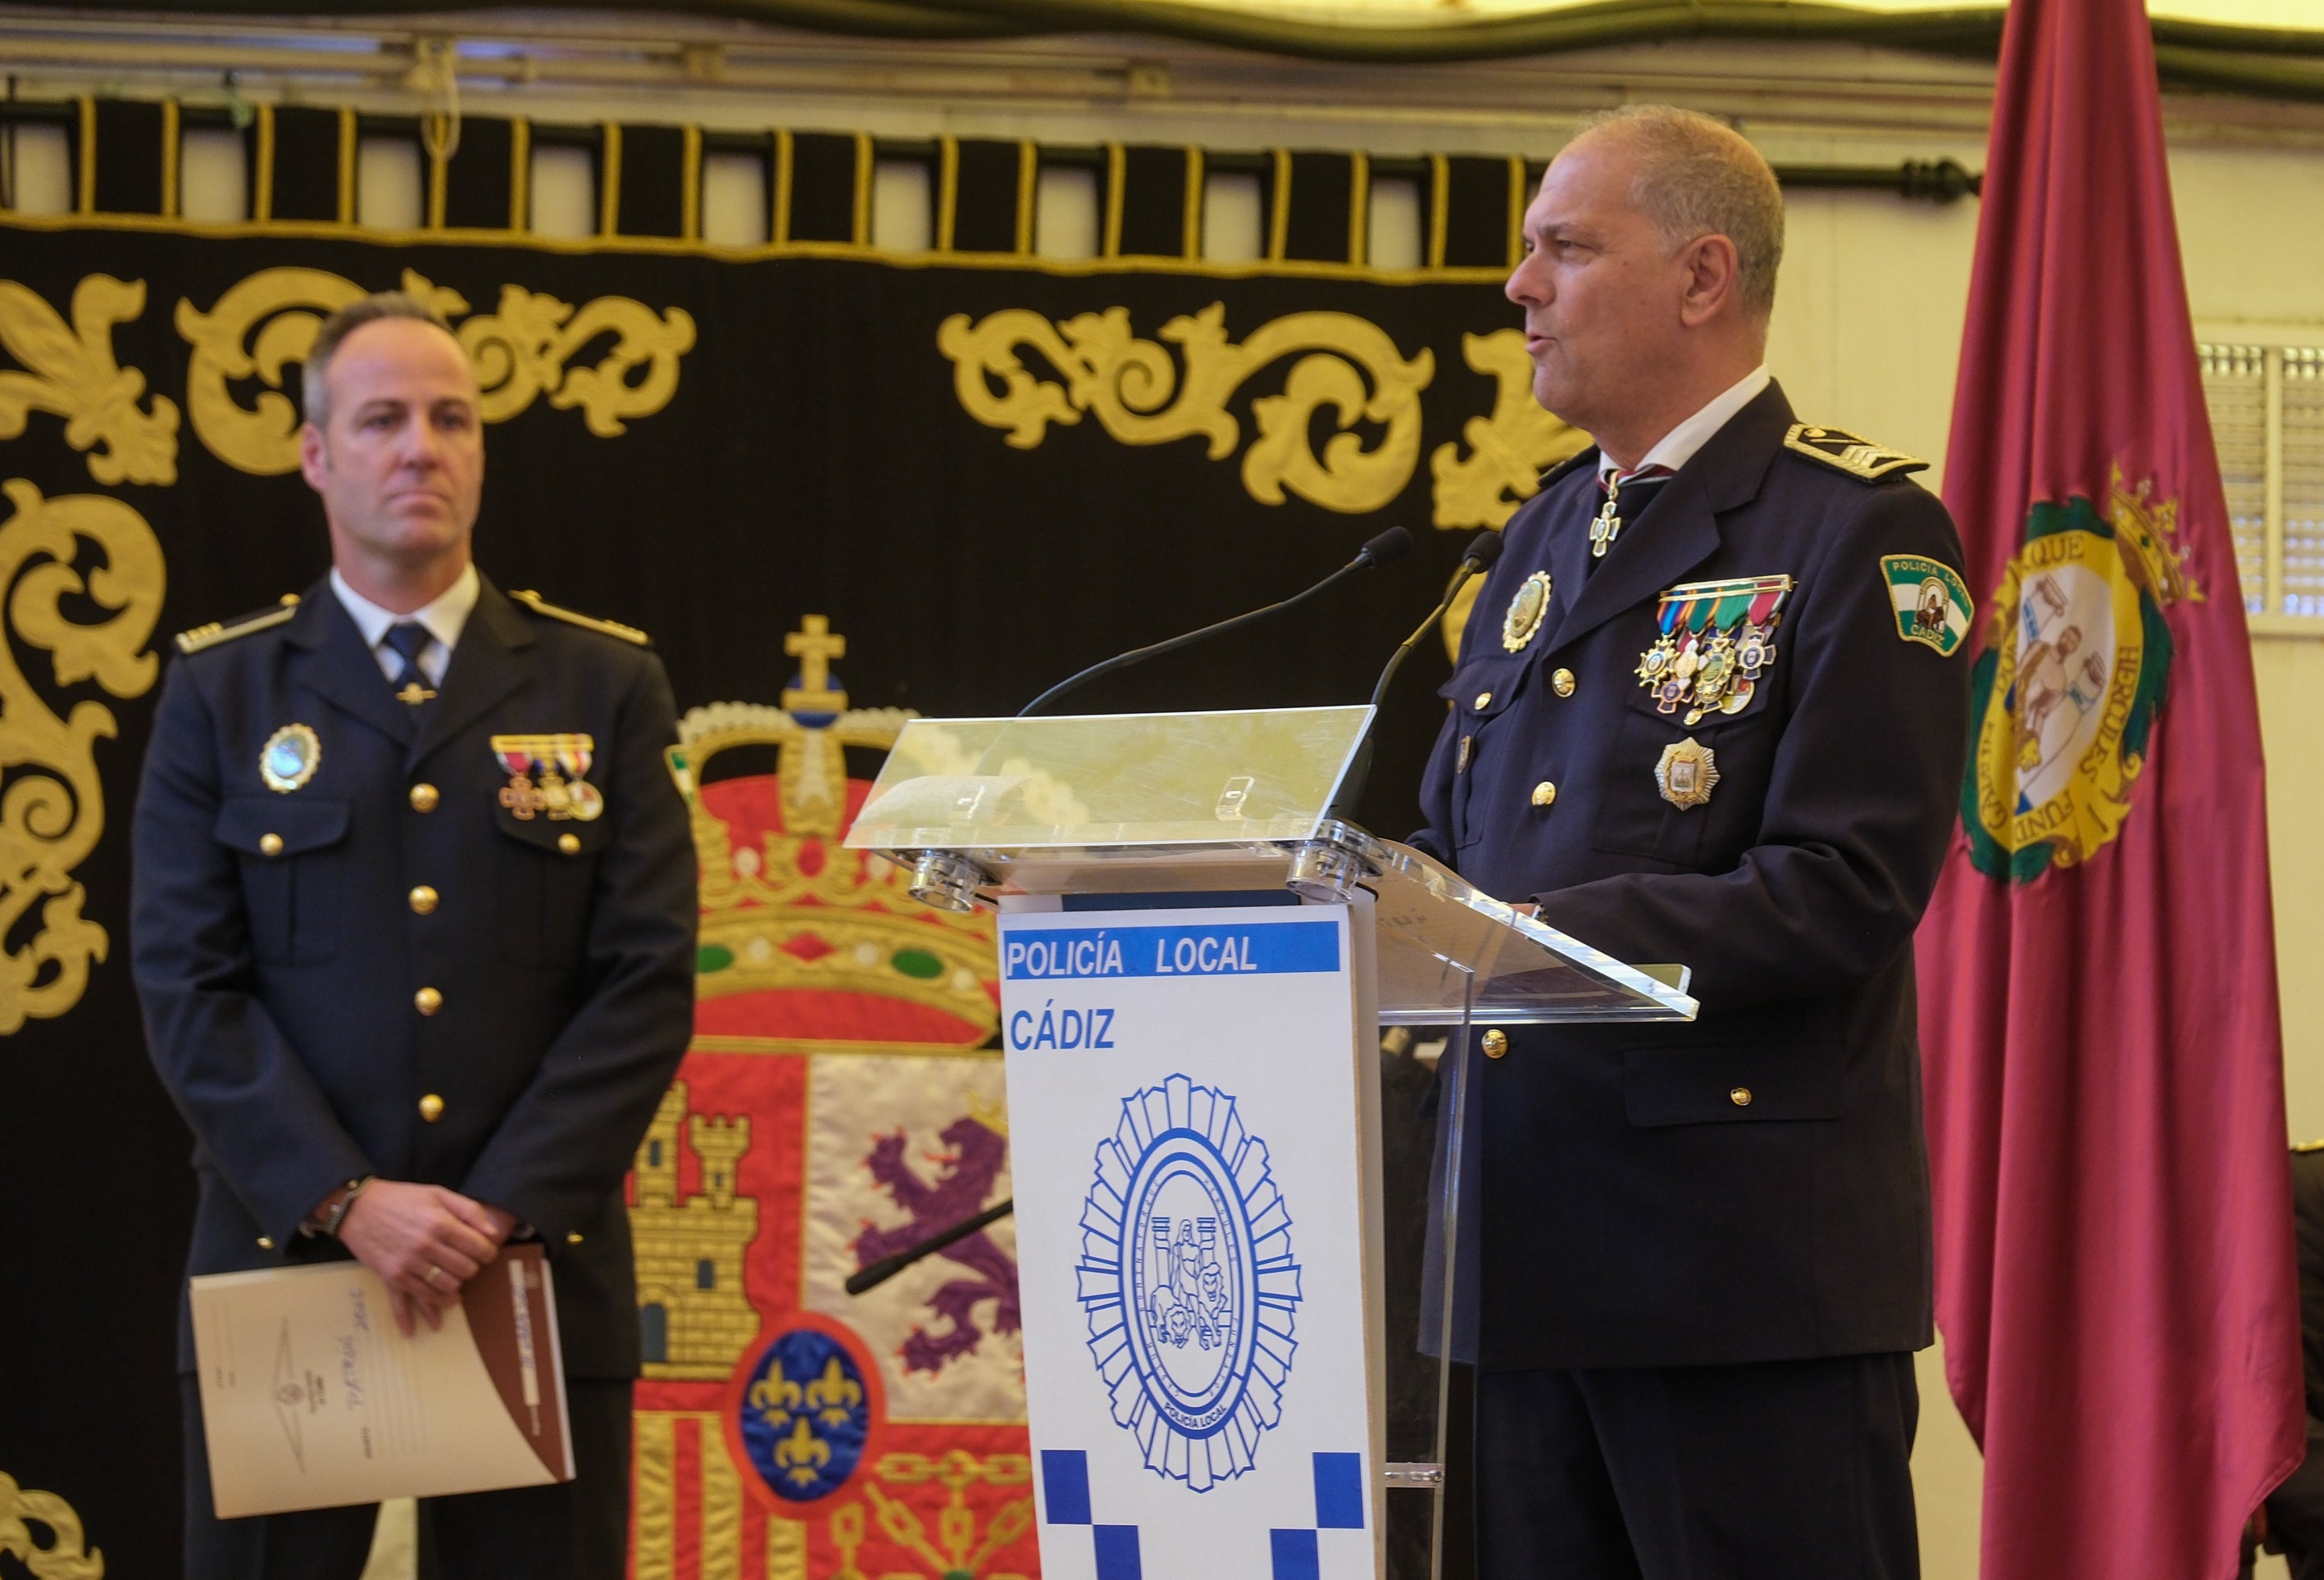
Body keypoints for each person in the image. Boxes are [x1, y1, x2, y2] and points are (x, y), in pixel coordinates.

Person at [1410, 106, 1973, 1576]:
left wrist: (1528, 941)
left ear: (1702, 277)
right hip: (1523, 1261)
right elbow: (1446, 842)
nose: (1518, 286)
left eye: (1562, 248)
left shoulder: (1861, 532)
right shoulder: (1535, 543)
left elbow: (1847, 888)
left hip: (1735, 1280)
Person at [132, 292, 698, 1578]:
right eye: (381, 419)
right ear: (317, 455)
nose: (420, 447)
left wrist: (489, 1213)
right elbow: (188, 986)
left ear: (482, 449)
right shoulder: (223, 694)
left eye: (451, 418)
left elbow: (646, 980)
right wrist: (350, 1201)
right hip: (287, 1266)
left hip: (531, 1271)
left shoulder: (601, 686)